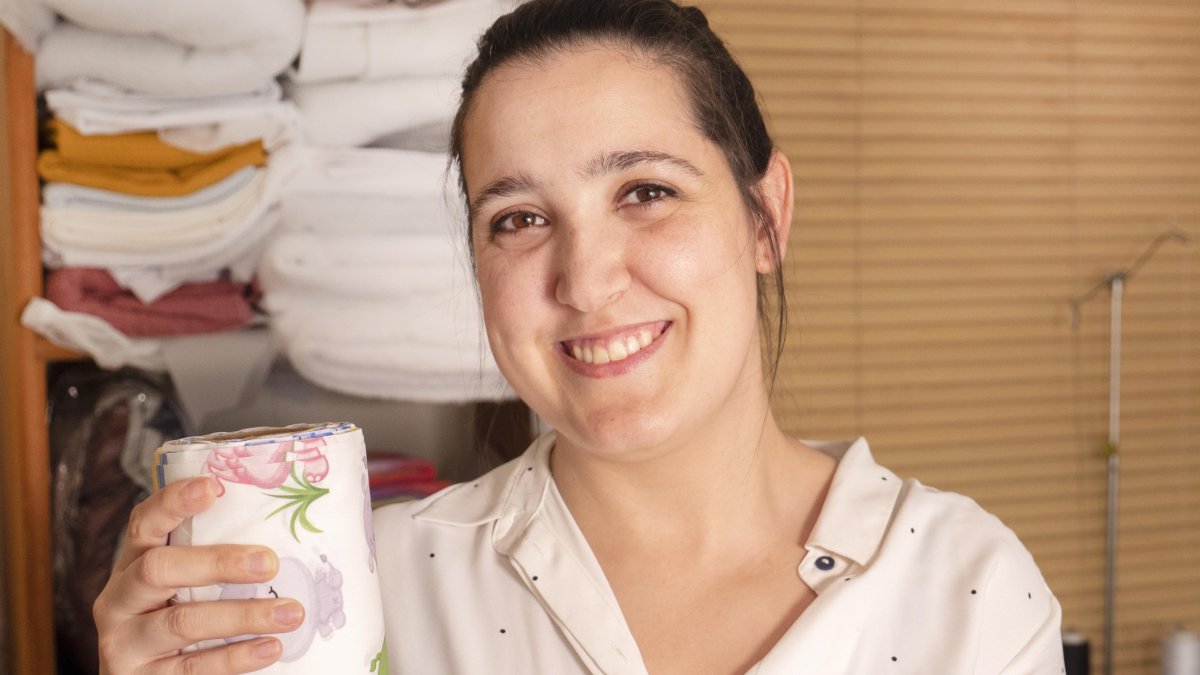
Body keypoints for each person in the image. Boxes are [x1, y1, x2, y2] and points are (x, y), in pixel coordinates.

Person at [93, 1, 1065, 673]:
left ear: (765, 217)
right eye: (517, 219)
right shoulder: (362, 588)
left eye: (646, 192)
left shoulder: (967, 588)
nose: (586, 281)